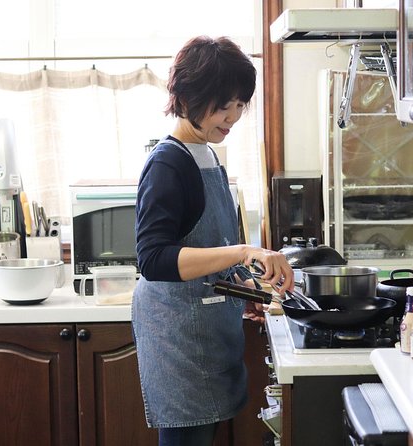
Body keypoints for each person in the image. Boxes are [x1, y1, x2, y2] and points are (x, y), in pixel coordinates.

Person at [132, 35, 295, 446]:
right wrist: (245, 251)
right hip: (180, 342)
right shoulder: (168, 163)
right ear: (187, 98)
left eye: (240, 103)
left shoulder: (205, 153)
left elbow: (206, 246)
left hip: (206, 333)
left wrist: (243, 290)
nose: (234, 115)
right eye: (224, 105)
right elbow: (154, 258)